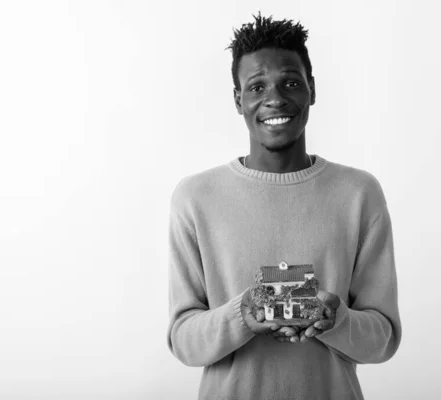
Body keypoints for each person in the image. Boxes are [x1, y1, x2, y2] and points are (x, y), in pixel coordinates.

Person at [166, 12, 401, 400]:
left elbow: (384, 338)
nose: (275, 98)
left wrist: (336, 319)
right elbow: (183, 341)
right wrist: (242, 313)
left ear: (311, 88)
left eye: (290, 83)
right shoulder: (194, 198)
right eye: (257, 87)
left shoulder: (359, 193)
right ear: (238, 99)